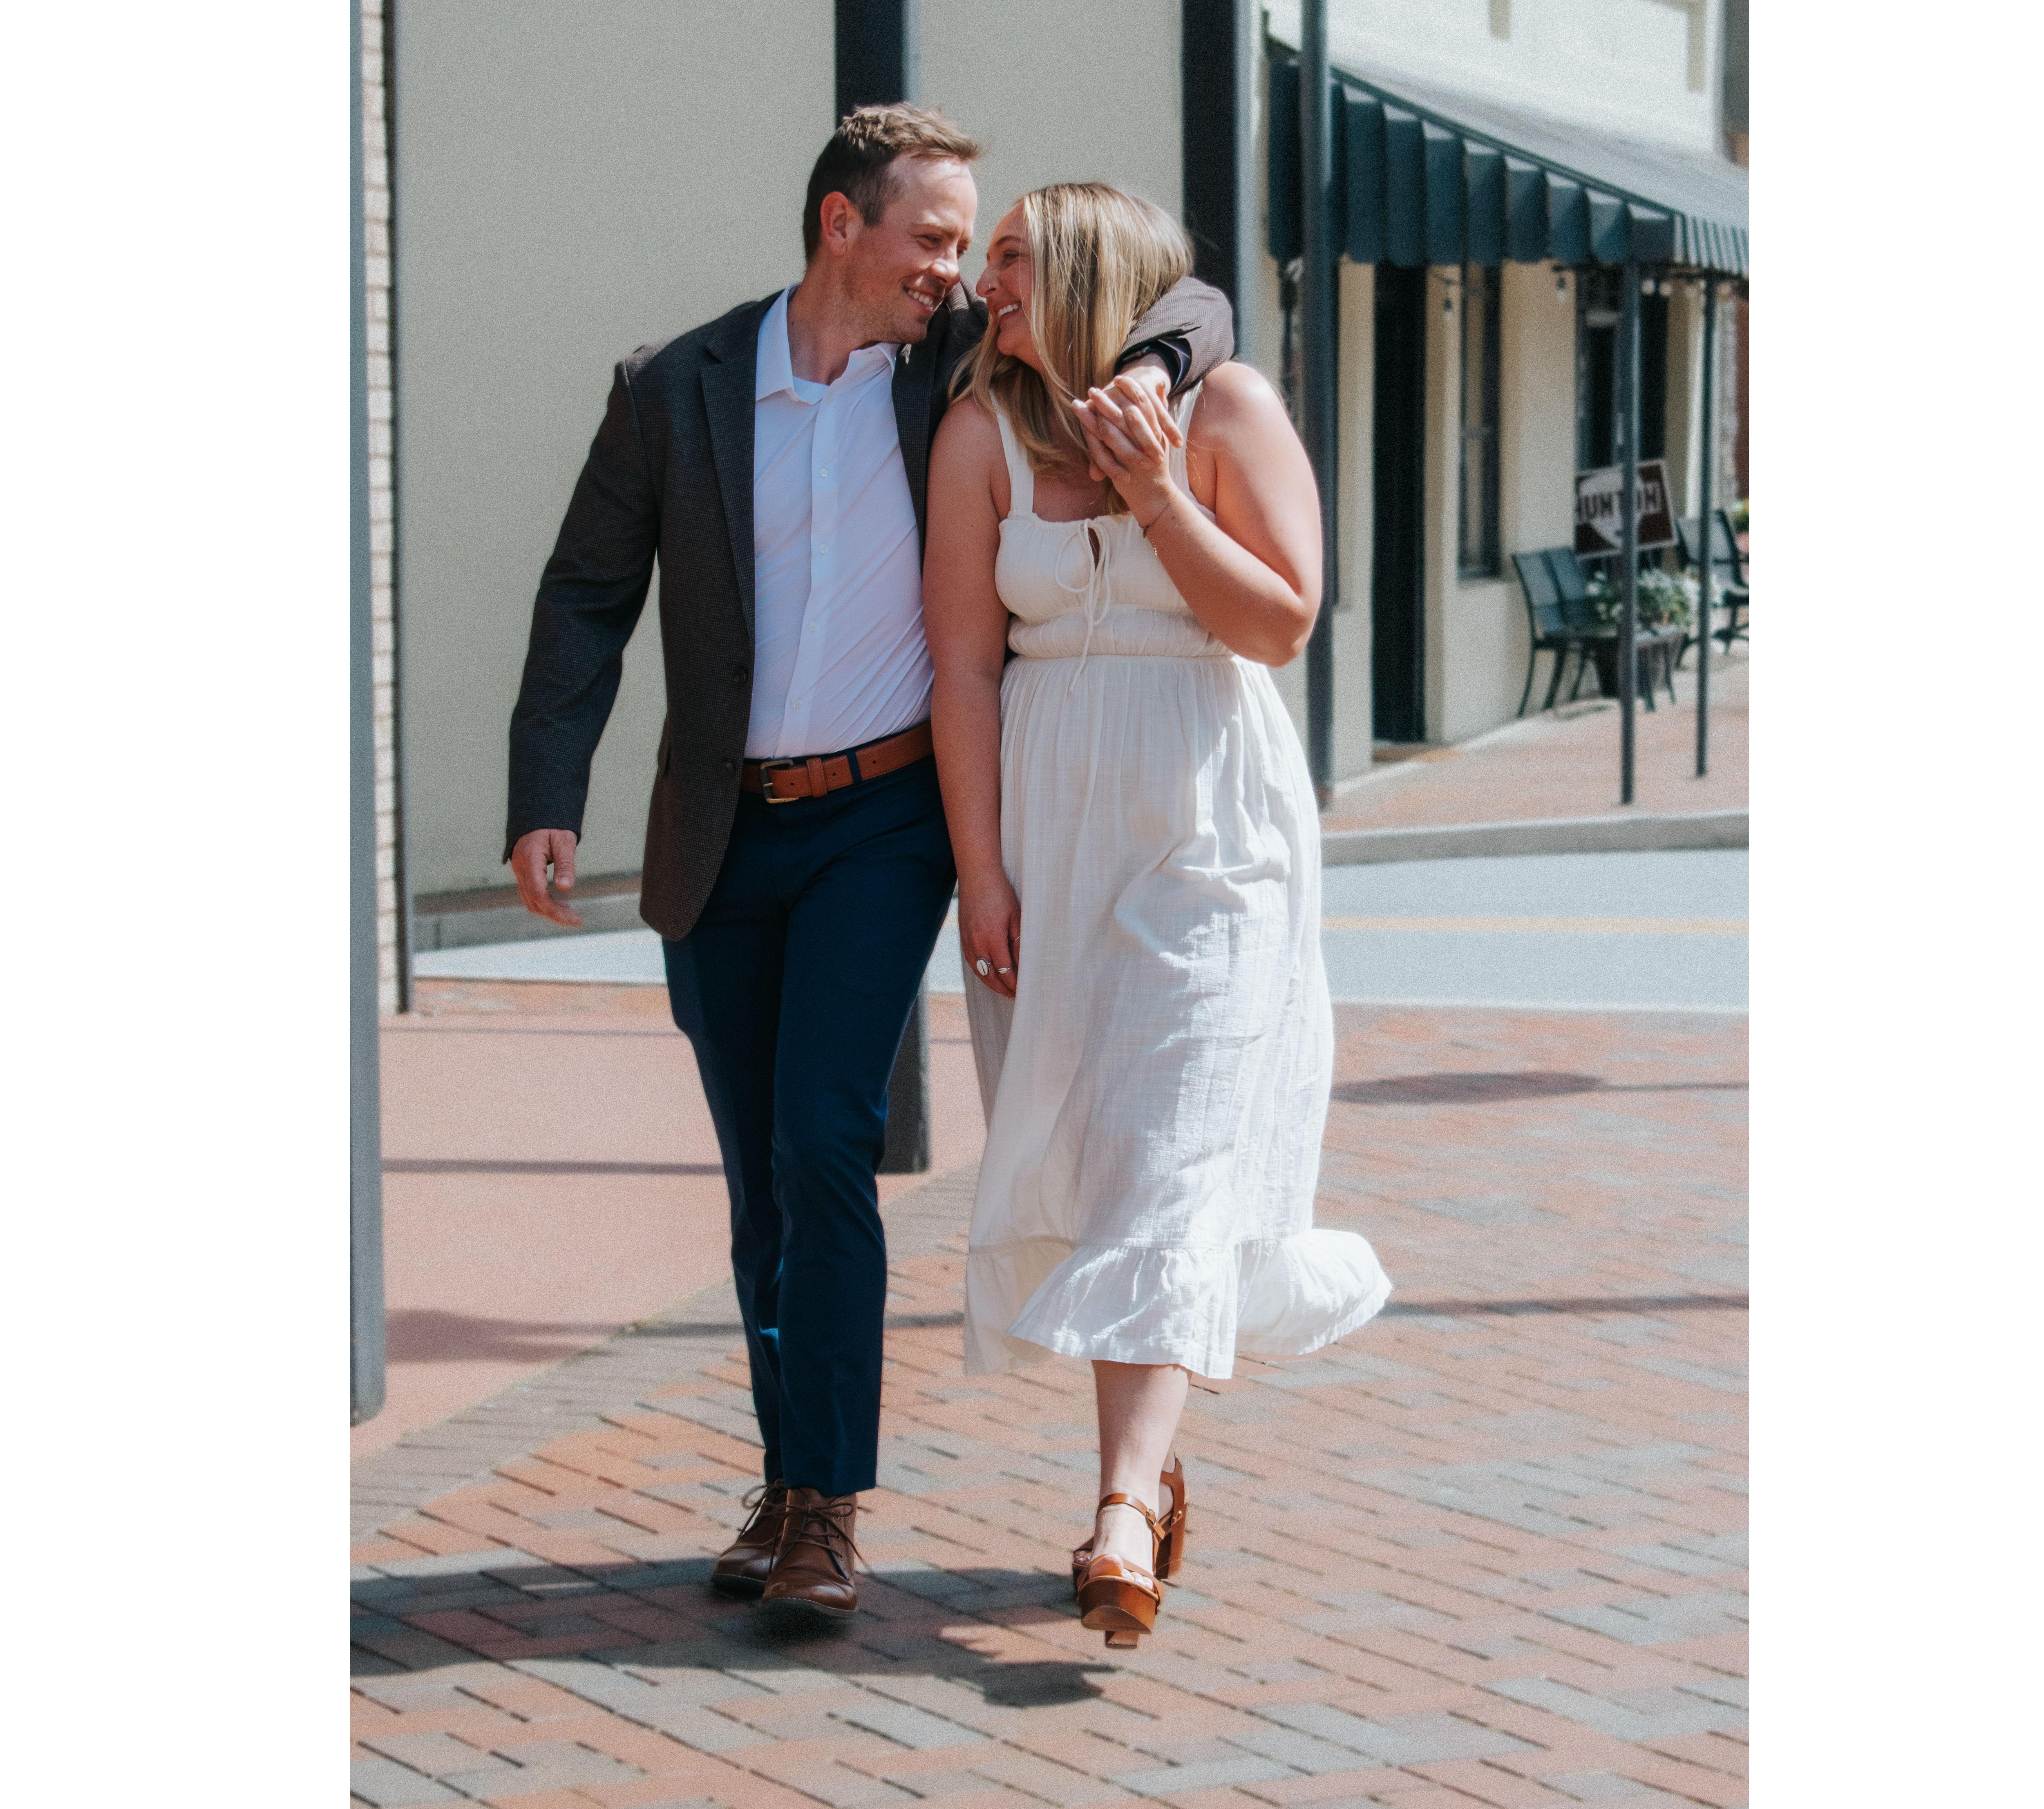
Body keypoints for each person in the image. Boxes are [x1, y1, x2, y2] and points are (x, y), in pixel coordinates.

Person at [504, 111, 1234, 1624]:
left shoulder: (954, 362)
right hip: (720, 831)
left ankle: (829, 1508)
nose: (957, 269)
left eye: (969, 245)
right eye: (934, 237)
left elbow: (1197, 302)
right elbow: (585, 594)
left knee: (825, 1140)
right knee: (760, 1180)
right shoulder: (675, 388)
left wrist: (1158, 373)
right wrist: (545, 795)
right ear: (843, 224)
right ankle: (786, 1483)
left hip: (884, 823)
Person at [923, 183, 1390, 1650]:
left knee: (1172, 1154)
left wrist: (1160, 494)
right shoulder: (979, 433)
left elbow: (1280, 623)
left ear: (1083, 271)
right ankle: (1151, 1470)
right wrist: (981, 874)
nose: (983, 282)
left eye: (1011, 256)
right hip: (1049, 834)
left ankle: (1121, 1509)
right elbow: (965, 669)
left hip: (1212, 831)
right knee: (1107, 1154)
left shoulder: (1228, 408)